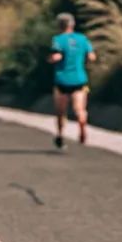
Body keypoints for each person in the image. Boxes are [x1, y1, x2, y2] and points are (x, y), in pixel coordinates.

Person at [49, 13, 96, 148]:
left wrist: (51, 59)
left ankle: (60, 134)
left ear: (59, 25)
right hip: (80, 80)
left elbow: (56, 56)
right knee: (80, 109)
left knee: (60, 111)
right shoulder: (83, 39)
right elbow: (92, 57)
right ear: (72, 24)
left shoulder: (58, 39)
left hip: (62, 80)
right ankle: (82, 129)